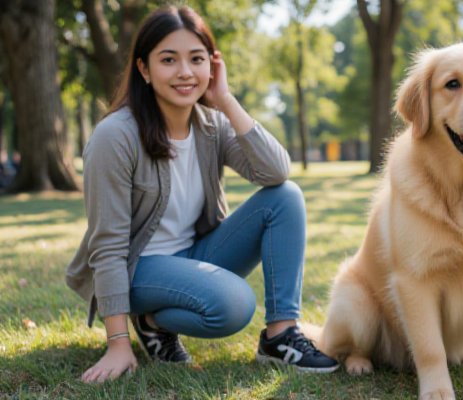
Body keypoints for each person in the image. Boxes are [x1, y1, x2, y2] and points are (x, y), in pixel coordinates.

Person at [65, 5, 338, 384]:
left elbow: (275, 172)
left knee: (286, 197)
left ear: (212, 65)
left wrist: (225, 99)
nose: (184, 72)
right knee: (233, 305)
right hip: (138, 269)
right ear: (143, 69)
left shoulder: (211, 125)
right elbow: (108, 246)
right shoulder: (116, 136)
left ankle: (279, 336)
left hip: (194, 256)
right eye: (168, 60)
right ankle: (147, 319)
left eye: (196, 59)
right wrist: (117, 342)